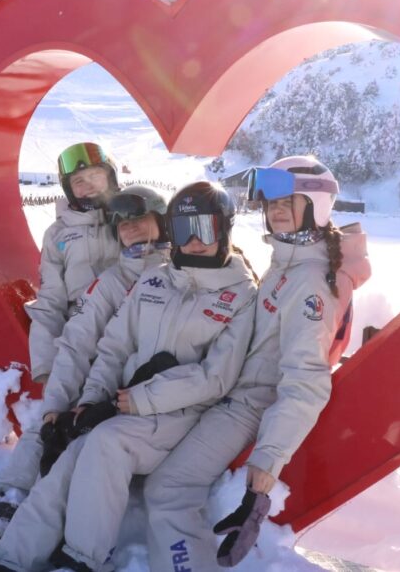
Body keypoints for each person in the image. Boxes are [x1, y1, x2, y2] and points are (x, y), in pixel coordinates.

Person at [0, 181, 260, 572]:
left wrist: (134, 401)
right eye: (185, 230)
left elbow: (215, 377)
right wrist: (91, 400)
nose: (195, 242)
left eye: (205, 230)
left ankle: (82, 559)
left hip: (182, 416)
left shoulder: (242, 296)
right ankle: (10, 559)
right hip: (127, 407)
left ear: (225, 231)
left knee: (107, 442)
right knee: (73, 455)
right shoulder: (155, 281)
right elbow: (113, 346)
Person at [142, 156, 372, 570]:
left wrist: (267, 462)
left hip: (247, 407)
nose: (275, 209)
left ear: (316, 205)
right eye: (269, 203)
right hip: (230, 392)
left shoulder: (310, 282)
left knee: (168, 489)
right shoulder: (290, 263)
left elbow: (306, 379)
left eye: (288, 200)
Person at [0, 185, 171, 551]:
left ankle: (56, 529)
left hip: (156, 395)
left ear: (161, 222)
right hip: (108, 385)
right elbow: (77, 342)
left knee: (85, 448)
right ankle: (17, 495)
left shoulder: (181, 271)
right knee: (58, 423)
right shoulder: (114, 280)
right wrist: (55, 405)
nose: (130, 228)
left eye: (140, 219)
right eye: (122, 224)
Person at [0, 142, 122, 524]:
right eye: (79, 182)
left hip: (127, 338)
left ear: (111, 177)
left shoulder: (131, 217)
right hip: (78, 339)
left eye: (96, 176)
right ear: (68, 189)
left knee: (91, 425)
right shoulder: (58, 235)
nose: (89, 186)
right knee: (52, 413)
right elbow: (49, 303)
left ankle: (67, 510)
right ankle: (13, 495)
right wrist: (47, 363)